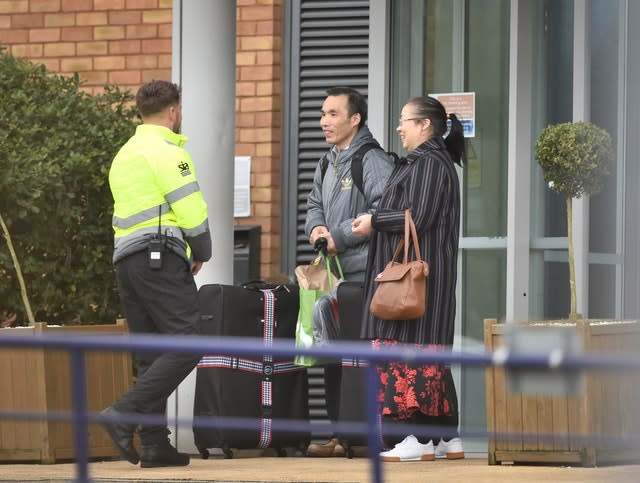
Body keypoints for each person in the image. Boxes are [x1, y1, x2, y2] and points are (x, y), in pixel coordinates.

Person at [101, 80, 212, 468]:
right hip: (158, 256)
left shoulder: (124, 154)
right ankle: (124, 412)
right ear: (173, 112)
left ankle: (154, 444)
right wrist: (201, 250)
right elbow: (191, 208)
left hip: (127, 262)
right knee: (188, 339)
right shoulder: (167, 152)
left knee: (151, 352)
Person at [351, 95, 465, 462]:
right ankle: (445, 437)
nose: (399, 127)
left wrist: (374, 221)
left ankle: (415, 437)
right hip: (424, 280)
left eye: (405, 121)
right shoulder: (428, 162)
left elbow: (419, 216)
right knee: (426, 354)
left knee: (403, 353)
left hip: (414, 282)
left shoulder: (429, 163)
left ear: (425, 125)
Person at [304, 86, 394, 457]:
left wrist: (337, 236)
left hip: (364, 278)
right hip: (332, 278)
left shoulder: (371, 159)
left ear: (355, 119)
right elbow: (313, 203)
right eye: (323, 113)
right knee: (331, 355)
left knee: (360, 360)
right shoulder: (327, 161)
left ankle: (363, 436)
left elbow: (383, 210)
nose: (324, 121)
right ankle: (339, 435)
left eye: (333, 114)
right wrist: (315, 230)